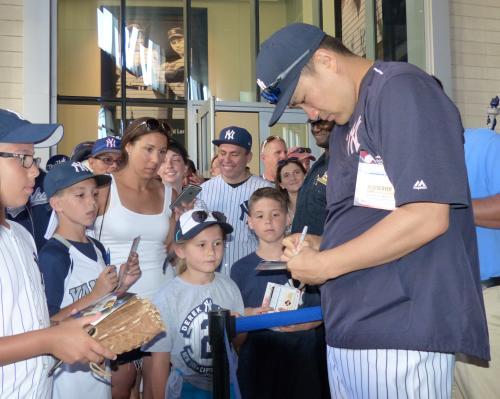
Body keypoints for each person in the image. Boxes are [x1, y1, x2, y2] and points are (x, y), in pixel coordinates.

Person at [257, 23, 489, 397]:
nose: (310, 113)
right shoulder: (347, 124)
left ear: (326, 60)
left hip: (400, 326)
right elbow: (371, 214)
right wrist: (322, 243)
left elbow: (427, 215)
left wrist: (325, 265)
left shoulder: (399, 88)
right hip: (354, 325)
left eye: (303, 99)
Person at [0, 108, 115, 398]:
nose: (35, 170)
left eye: (34, 159)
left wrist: (74, 331)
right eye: (23, 158)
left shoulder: (23, 237)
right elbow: (44, 336)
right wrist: (50, 339)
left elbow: (35, 323)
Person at [38, 161, 141, 399]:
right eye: (80, 195)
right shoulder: (53, 256)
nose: (92, 202)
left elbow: (101, 307)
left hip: (96, 366)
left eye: (94, 194)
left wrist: (122, 285)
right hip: (66, 378)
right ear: (56, 204)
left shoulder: (97, 247)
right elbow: (46, 324)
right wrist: (94, 294)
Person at [94, 117, 176, 399]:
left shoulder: (168, 193)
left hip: (163, 301)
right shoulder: (103, 189)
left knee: (158, 393)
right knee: (117, 389)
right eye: (148, 149)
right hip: (115, 305)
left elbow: (170, 249)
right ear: (128, 146)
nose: (156, 159)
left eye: (162, 151)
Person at [231, 187, 329, 399]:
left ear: (288, 218)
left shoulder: (307, 263)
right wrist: (250, 316)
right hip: (258, 364)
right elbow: (236, 320)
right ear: (249, 221)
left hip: (303, 361)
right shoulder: (240, 269)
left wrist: (305, 323)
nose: (268, 221)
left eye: (275, 214)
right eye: (260, 215)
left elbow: (323, 309)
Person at [147, 208, 244, 398]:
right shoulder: (168, 297)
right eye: (201, 245)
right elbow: (159, 361)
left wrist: (237, 327)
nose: (211, 251)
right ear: (181, 250)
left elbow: (238, 343)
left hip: (227, 384)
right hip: (187, 388)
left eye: (217, 243)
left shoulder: (229, 287)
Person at [453, 127, 500, 399]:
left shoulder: (482, 143)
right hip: (438, 311)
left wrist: (442, 209)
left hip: (484, 300)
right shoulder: (407, 158)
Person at [197, 126, 273, 275]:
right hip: (214, 276)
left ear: (248, 157)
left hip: (253, 273)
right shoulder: (204, 190)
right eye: (222, 153)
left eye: (234, 154)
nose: (226, 159)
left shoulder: (266, 189)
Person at [291, 119, 333, 236]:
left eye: (322, 122)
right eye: (312, 124)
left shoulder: (351, 163)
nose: (316, 129)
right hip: (305, 250)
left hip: (332, 251)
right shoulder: (319, 164)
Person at [275, 158, 306, 227]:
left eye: (296, 172)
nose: (292, 178)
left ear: (305, 175)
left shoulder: (318, 203)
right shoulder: (277, 210)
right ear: (281, 184)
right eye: (286, 175)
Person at [163, 27, 185, 98]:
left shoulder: (197, 58)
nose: (177, 45)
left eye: (180, 40)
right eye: (174, 43)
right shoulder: (172, 65)